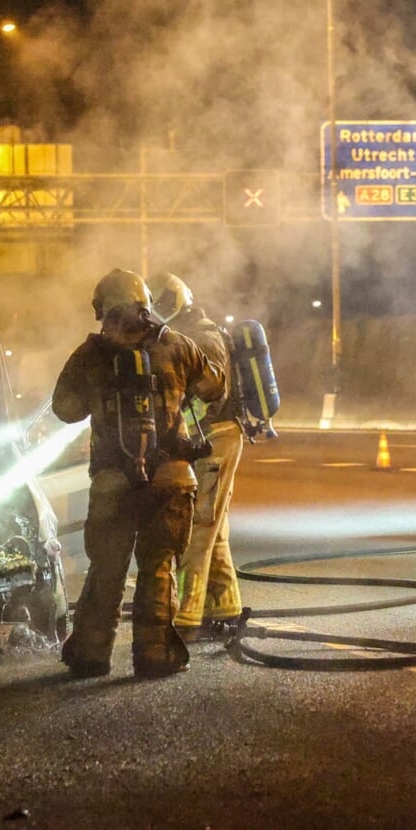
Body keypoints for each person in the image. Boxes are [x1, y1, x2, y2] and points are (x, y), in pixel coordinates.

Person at [53, 269, 225, 678]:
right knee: (159, 567)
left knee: (107, 569)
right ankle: (155, 655)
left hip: (112, 482)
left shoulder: (91, 354)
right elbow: (214, 387)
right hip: (171, 478)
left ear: (102, 310)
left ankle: (91, 655)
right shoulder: (176, 344)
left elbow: (65, 409)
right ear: (145, 304)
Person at [151, 272, 246, 639]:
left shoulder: (203, 337)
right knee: (214, 528)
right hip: (209, 439)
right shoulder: (180, 335)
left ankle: (186, 617)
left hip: (217, 438)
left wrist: (171, 425)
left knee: (197, 527)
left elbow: (211, 398)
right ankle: (225, 607)